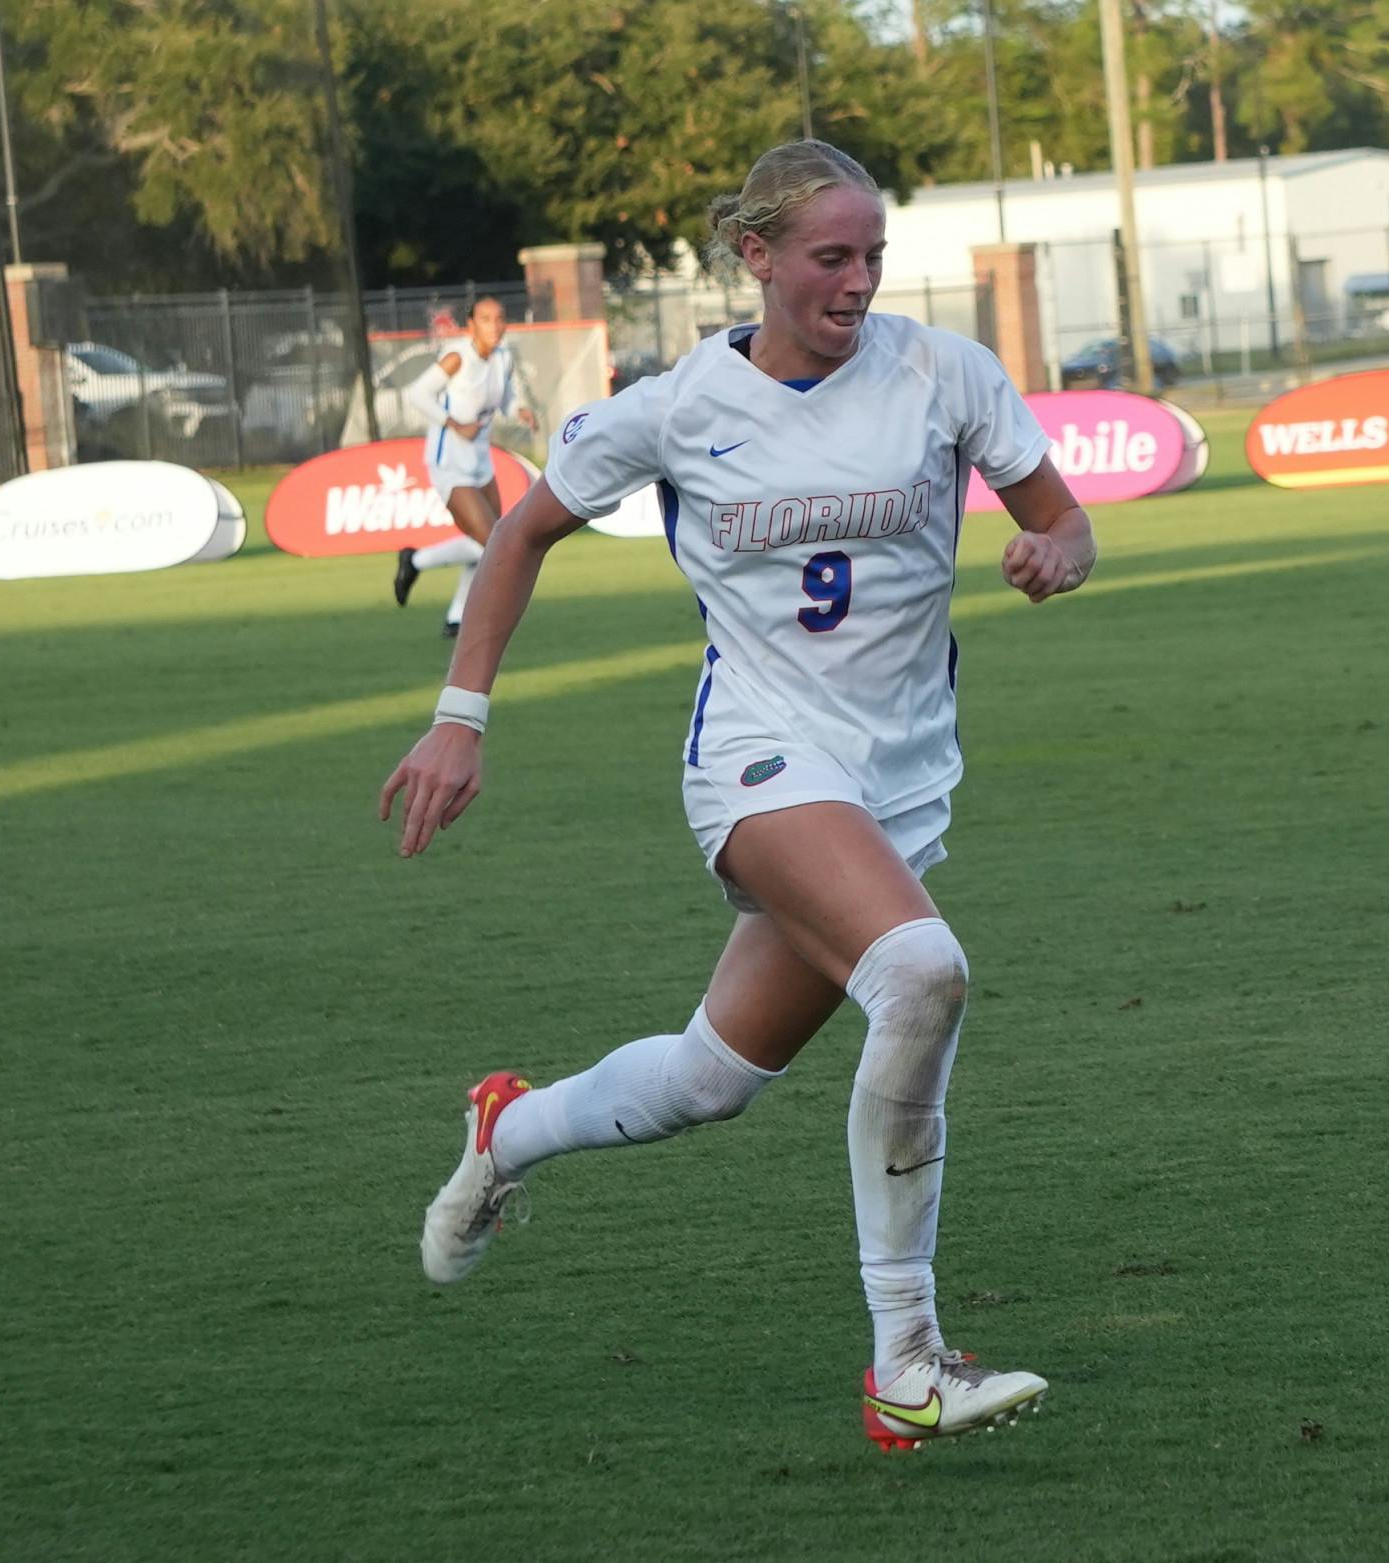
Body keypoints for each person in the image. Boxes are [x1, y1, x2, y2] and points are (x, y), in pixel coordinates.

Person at [379, 140, 1097, 1449]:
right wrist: (458, 721)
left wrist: (1054, 548)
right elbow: (524, 533)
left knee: (711, 1078)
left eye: (873, 254)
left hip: (900, 787)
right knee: (923, 972)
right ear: (756, 256)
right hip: (760, 765)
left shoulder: (945, 373)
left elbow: (1069, 518)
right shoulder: (678, 406)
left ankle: (508, 1127)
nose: (859, 279)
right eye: (831, 255)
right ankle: (908, 1359)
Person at [391, 297, 538, 637]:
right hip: (449, 463)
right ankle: (414, 560)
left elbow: (505, 398)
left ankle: (457, 616)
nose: (495, 325)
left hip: (481, 462)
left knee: (490, 542)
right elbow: (418, 394)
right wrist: (453, 423)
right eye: (486, 319)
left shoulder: (503, 357)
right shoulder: (458, 356)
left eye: (500, 318)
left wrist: (519, 410)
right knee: (491, 542)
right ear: (471, 325)